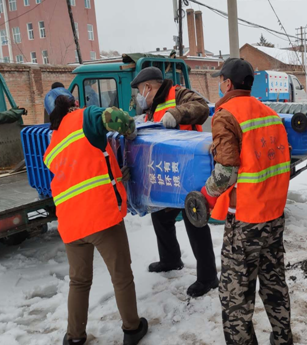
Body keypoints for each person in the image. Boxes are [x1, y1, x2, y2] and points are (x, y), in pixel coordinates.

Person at [43, 94, 148, 345]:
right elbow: (118, 118)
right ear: (73, 105)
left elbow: (80, 171)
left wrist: (114, 174)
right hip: (101, 217)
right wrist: (131, 131)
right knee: (121, 274)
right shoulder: (85, 117)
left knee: (78, 281)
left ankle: (75, 337)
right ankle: (132, 330)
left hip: (70, 224)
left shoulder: (53, 145)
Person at [202, 58, 293, 345]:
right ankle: (283, 339)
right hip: (274, 216)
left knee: (235, 298)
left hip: (245, 222)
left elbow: (226, 172)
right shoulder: (269, 113)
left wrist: (206, 194)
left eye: (220, 80)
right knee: (274, 283)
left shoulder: (226, 115)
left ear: (227, 83)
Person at [129, 67, 218, 298]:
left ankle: (208, 277)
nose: (140, 96)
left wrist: (177, 114)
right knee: (160, 215)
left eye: (140, 90)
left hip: (189, 173)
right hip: (166, 176)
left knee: (194, 220)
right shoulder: (152, 108)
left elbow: (201, 107)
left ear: (149, 86)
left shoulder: (178, 94)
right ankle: (170, 259)